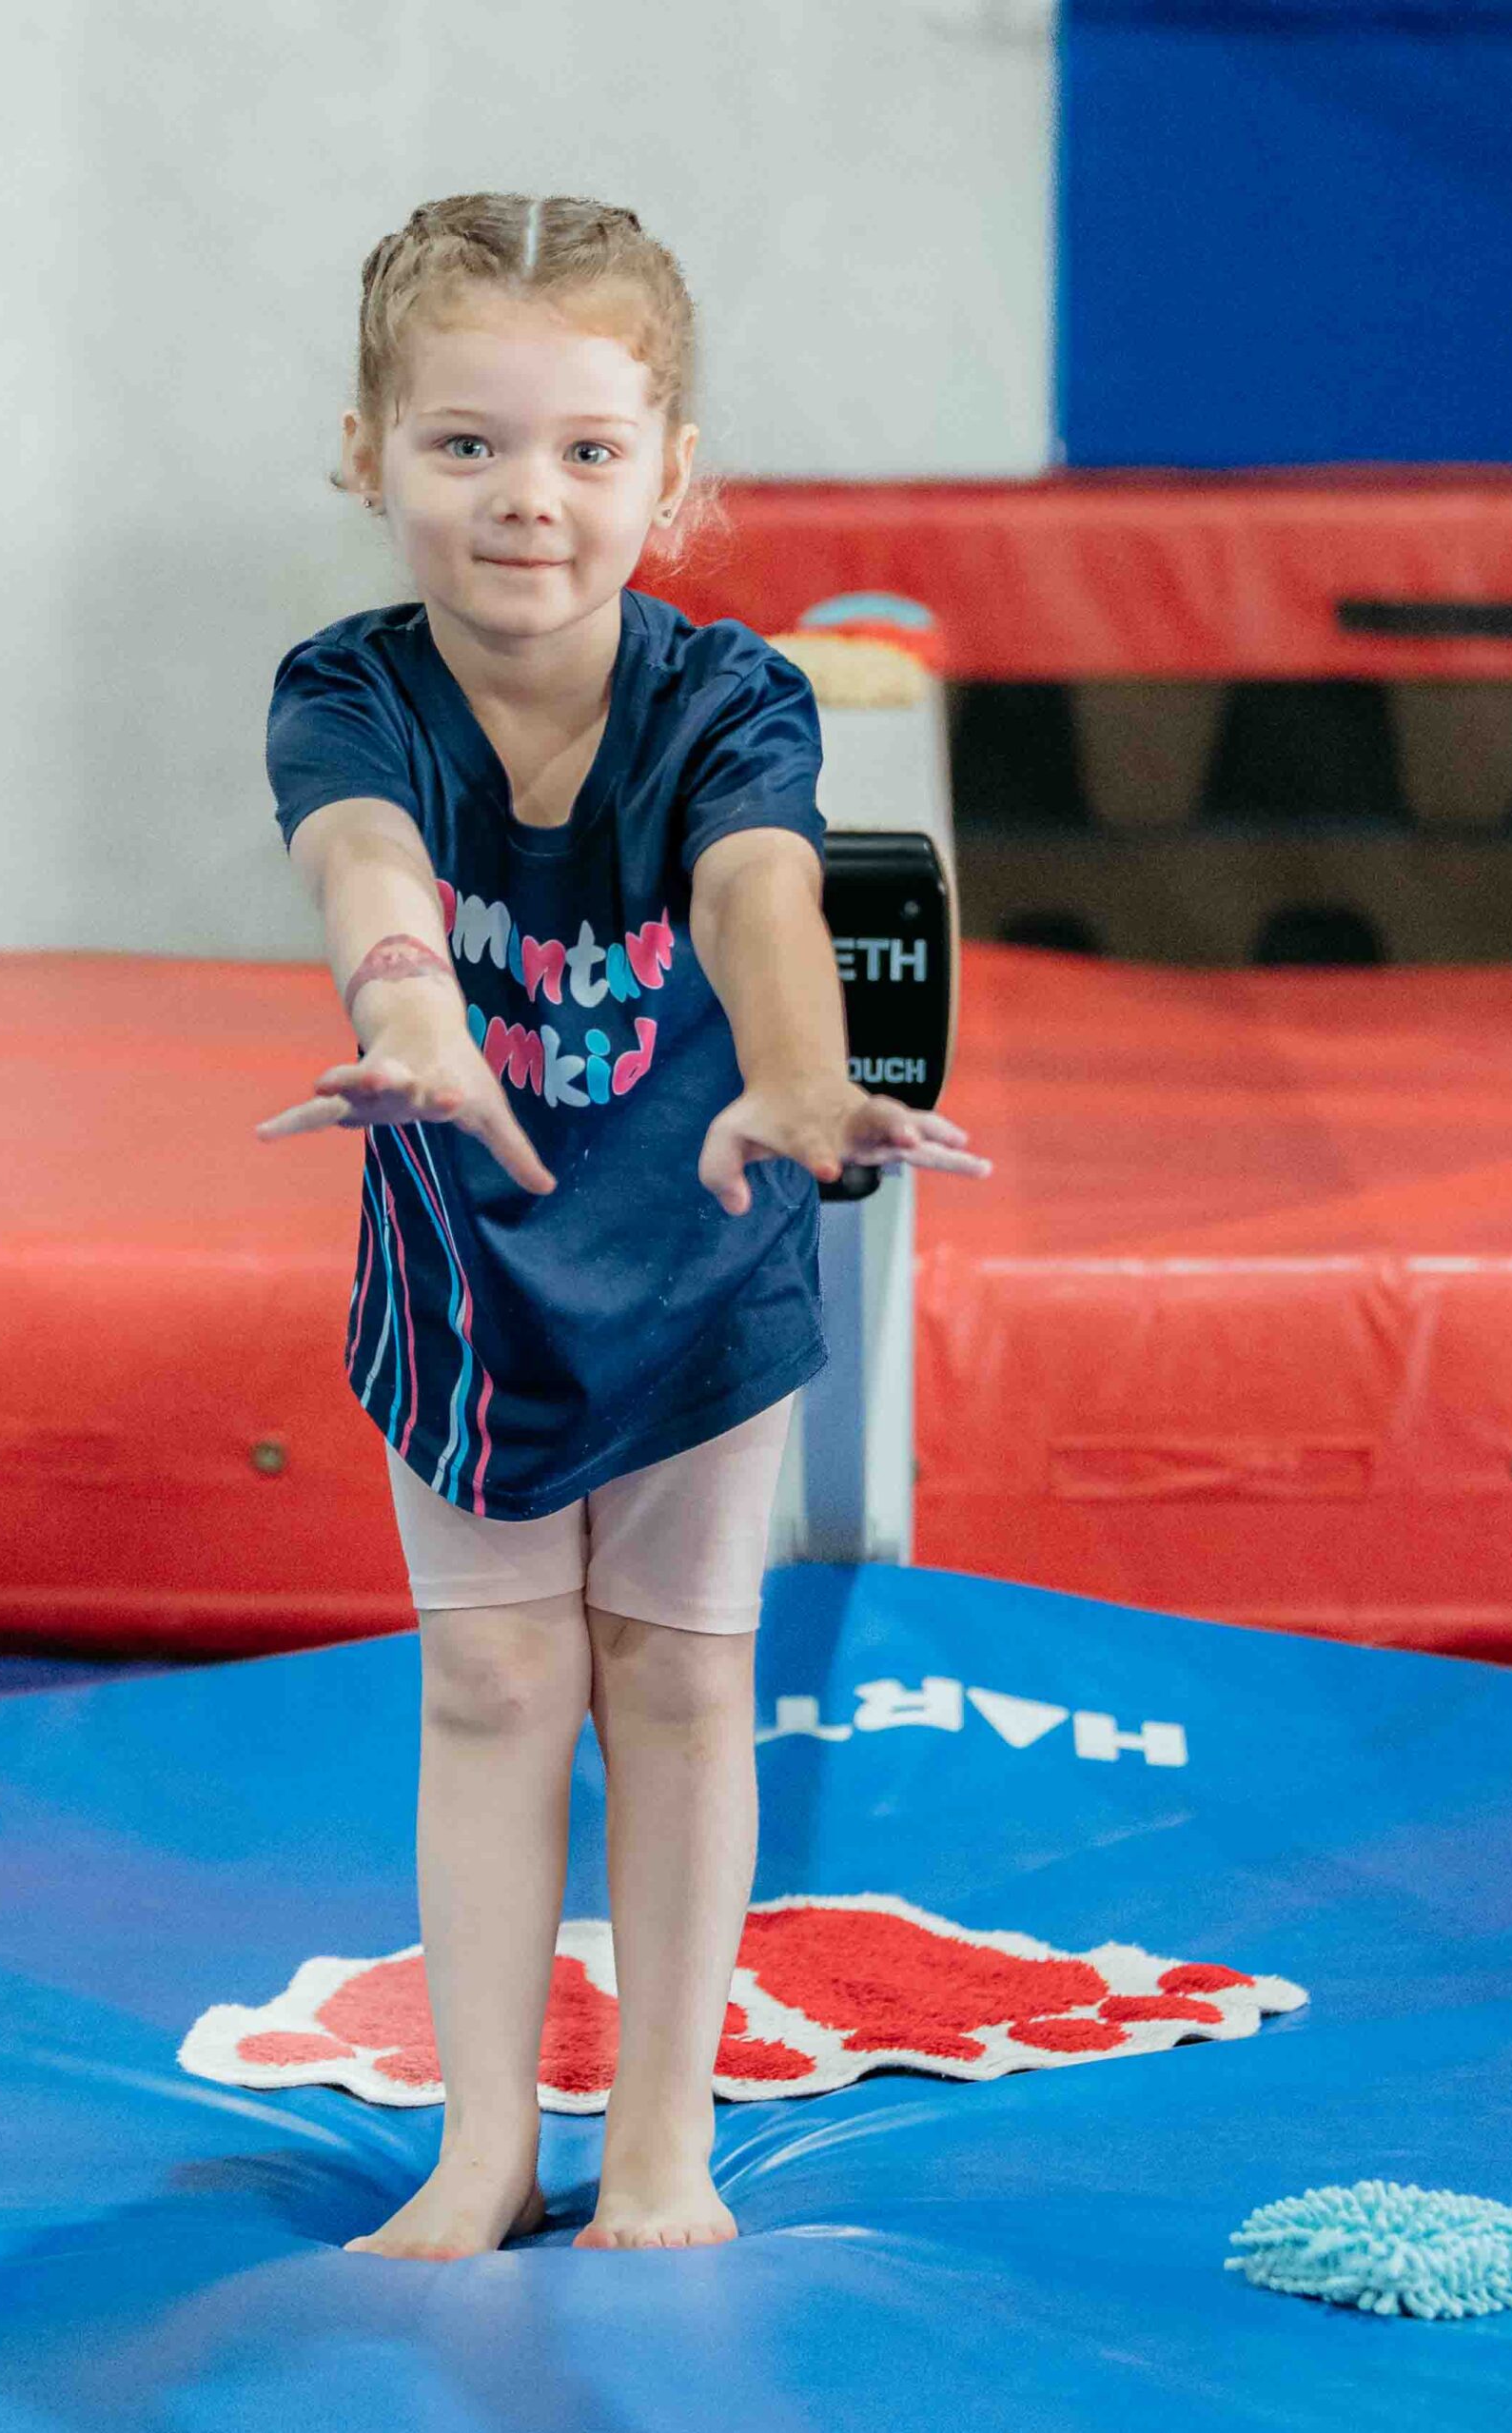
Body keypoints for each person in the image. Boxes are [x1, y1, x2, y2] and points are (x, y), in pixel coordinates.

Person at [256, 193, 992, 2261]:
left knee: (674, 1683)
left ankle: (655, 2139)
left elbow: (761, 881)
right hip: (469, 1260)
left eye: (586, 450)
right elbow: (363, 866)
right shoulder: (349, 690)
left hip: (697, 1240)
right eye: (463, 444)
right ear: (364, 451)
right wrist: (410, 1013)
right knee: (489, 1684)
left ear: (677, 474)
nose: (523, 503)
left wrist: (788, 1061)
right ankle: (483, 2137)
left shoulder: (728, 696)